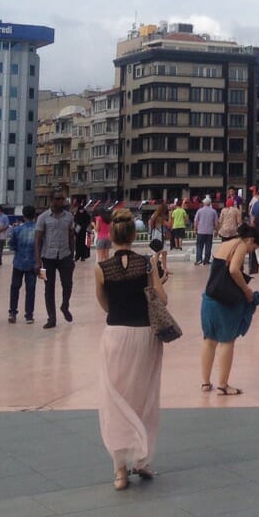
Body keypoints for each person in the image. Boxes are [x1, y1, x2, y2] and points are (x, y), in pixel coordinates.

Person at [95, 207, 166, 491]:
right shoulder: (147, 263)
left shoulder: (102, 269)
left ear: (111, 236)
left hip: (116, 334)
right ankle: (142, 459)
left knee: (116, 399)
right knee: (145, 397)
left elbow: (104, 304)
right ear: (135, 235)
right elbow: (162, 298)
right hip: (144, 334)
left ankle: (120, 471)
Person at [200, 223, 259, 396]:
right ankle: (223, 385)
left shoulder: (226, 243)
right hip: (224, 303)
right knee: (227, 341)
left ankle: (205, 383)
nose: (250, 251)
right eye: (253, 247)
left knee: (209, 340)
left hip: (209, 298)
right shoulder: (241, 245)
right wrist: (246, 290)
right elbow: (234, 269)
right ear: (250, 240)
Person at [35, 186, 76, 329]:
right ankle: (51, 318)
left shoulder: (69, 217)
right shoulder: (43, 218)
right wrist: (37, 261)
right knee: (49, 287)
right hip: (47, 257)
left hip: (65, 255)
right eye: (58, 199)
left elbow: (71, 237)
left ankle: (65, 305)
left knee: (68, 284)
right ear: (51, 200)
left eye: (62, 199)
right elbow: (38, 240)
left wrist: (72, 255)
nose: (61, 201)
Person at [193, 197, 218, 266]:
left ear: (203, 203)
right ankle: (206, 260)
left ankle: (199, 260)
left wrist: (195, 229)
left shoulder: (199, 211)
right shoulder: (213, 211)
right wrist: (216, 230)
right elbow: (216, 222)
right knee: (208, 246)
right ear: (210, 203)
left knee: (199, 246)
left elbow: (196, 221)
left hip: (201, 231)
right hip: (209, 231)